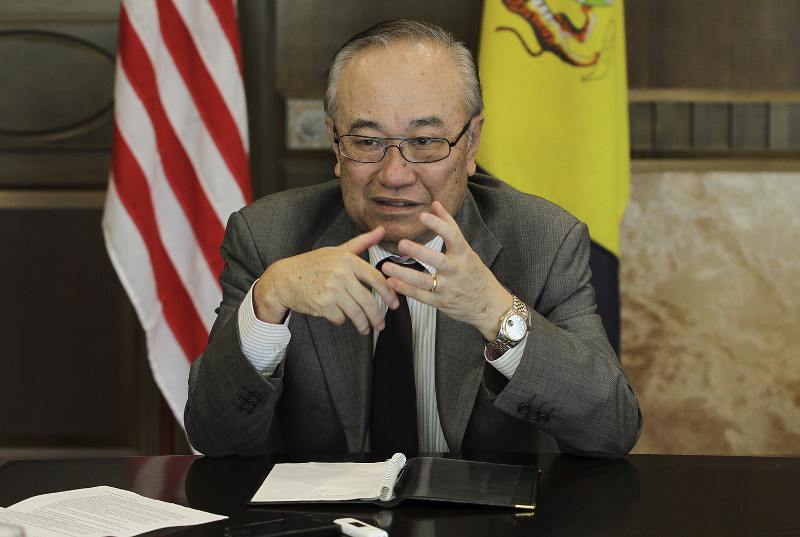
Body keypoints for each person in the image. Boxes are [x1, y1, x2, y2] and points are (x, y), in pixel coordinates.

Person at [184, 19, 641, 458]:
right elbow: (214, 436)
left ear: (472, 142)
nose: (395, 175)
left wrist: (497, 314)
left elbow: (611, 430)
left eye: (424, 142)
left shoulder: (544, 239)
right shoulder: (268, 237)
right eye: (367, 143)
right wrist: (270, 298)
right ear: (335, 144)